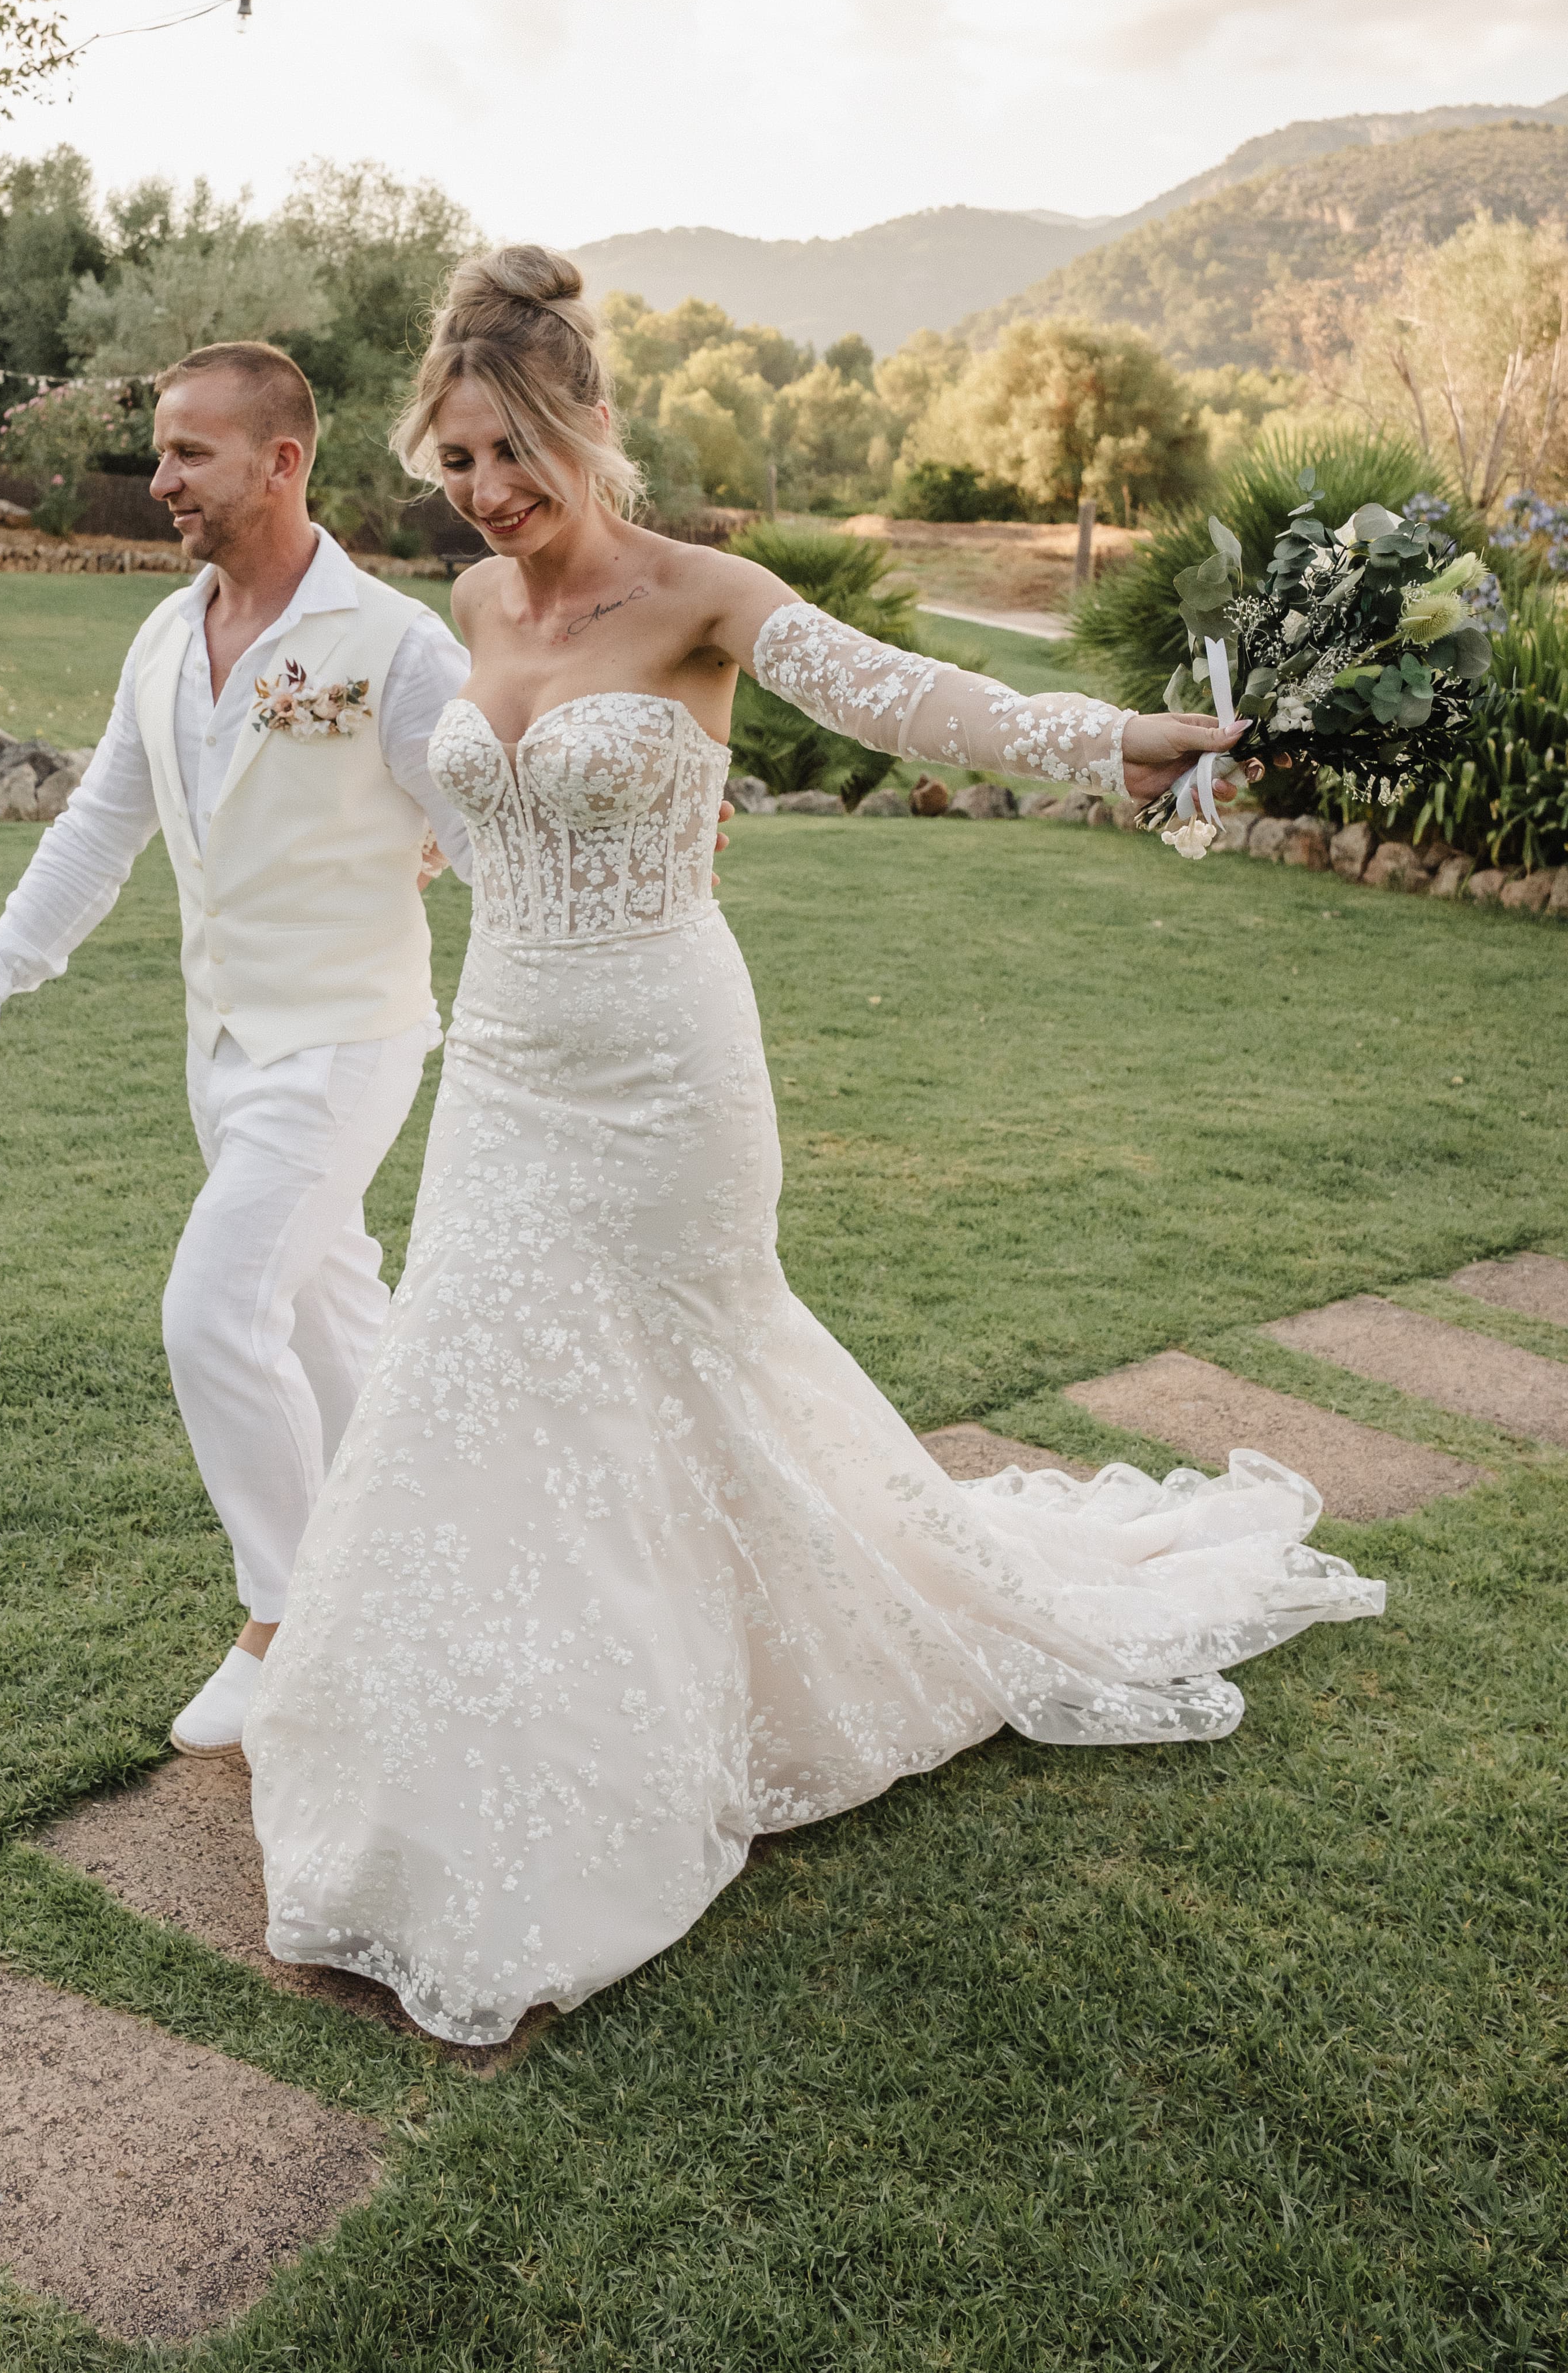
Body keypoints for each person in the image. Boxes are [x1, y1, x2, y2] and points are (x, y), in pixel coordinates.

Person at [243, 248, 1385, 2049]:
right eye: (456, 459)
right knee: (476, 1392)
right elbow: (461, 799)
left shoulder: (704, 596)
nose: (485, 491)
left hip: (666, 1079)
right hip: (507, 1067)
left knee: (659, 1394)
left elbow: (918, 702)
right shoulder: (467, 607)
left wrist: (1121, 743)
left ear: (589, 424)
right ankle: (443, 1778)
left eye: (512, 449)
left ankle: (641, 1759)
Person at [0, 341, 479, 1754]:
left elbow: (493, 828)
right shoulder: (165, 640)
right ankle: (441, 1553)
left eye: (189, 454)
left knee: (216, 1310)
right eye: (160, 451)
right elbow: (102, 828)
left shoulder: (400, 648)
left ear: (282, 463)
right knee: (335, 1310)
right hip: (220, 1048)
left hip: (348, 1035)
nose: (159, 480)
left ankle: (290, 1626)